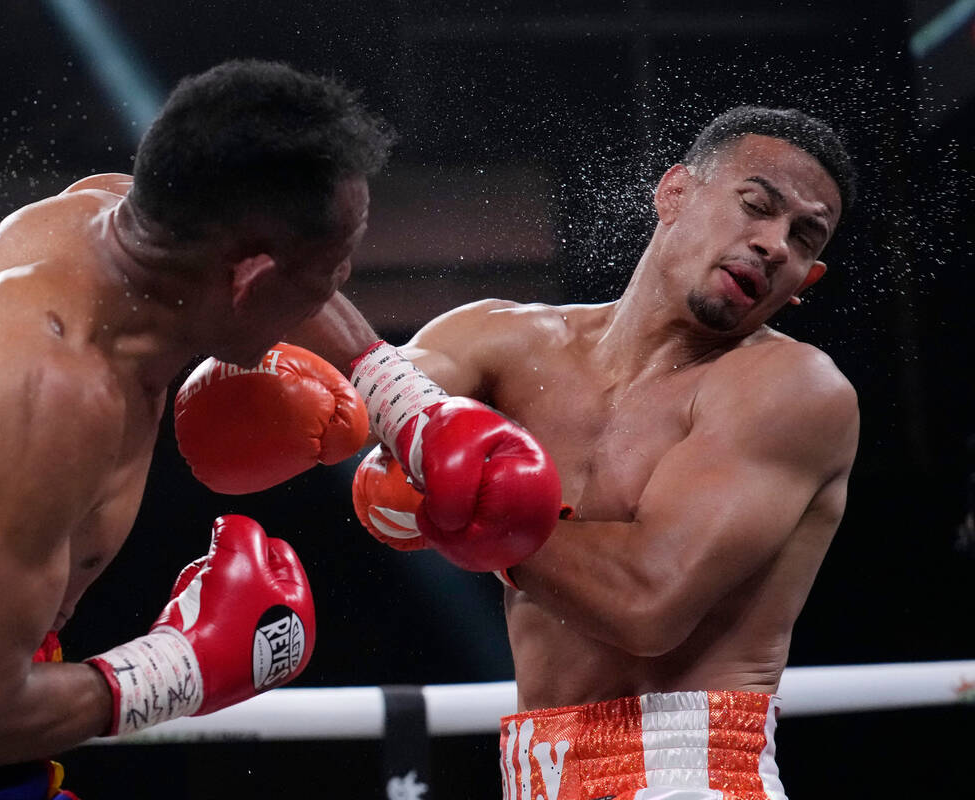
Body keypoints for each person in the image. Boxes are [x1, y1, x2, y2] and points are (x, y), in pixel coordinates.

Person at [0, 59, 394, 799]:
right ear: (251, 279)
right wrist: (185, 666)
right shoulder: (57, 396)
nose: (344, 279)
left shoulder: (105, 212)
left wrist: (408, 403)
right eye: (333, 265)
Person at [343, 106, 860, 799]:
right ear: (674, 192)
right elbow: (358, 402)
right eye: (756, 206)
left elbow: (646, 601)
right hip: (535, 772)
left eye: (802, 237)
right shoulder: (502, 339)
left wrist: (458, 505)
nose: (772, 244)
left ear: (806, 280)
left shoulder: (792, 390)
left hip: (687, 772)